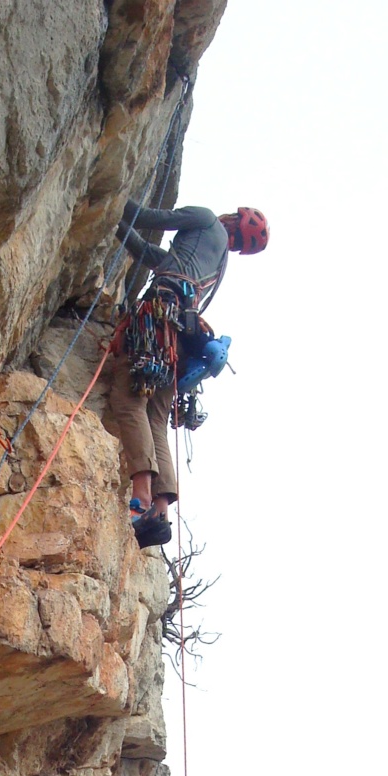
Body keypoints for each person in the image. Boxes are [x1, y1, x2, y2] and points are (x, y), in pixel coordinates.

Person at [109, 204, 269, 548]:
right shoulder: (217, 263)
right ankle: (161, 509)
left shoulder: (205, 219)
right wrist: (118, 227)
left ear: (231, 220)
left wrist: (114, 201)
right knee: (156, 417)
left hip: (158, 320)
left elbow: (154, 219)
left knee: (128, 400)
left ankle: (140, 500)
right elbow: (154, 256)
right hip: (183, 340)